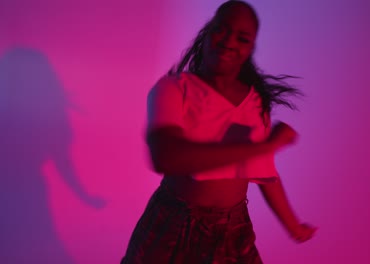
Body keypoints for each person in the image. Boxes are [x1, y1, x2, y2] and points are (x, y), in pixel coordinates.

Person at [121, 1, 317, 263]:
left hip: (233, 230)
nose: (229, 41)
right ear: (207, 32)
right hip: (174, 224)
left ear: (250, 49)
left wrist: (293, 225)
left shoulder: (256, 103)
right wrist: (264, 146)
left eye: (242, 38)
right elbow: (166, 156)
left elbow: (263, 170)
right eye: (221, 29)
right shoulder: (174, 89)